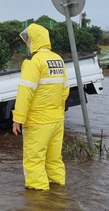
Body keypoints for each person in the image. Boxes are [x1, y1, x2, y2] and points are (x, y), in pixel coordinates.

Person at [12, 23, 69, 190]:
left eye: (28, 40)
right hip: (57, 121)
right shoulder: (58, 59)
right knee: (54, 160)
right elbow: (65, 91)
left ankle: (40, 204)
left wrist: (18, 119)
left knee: (34, 162)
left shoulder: (33, 61)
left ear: (32, 40)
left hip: (38, 121)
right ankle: (58, 195)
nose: (27, 43)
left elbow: (25, 93)